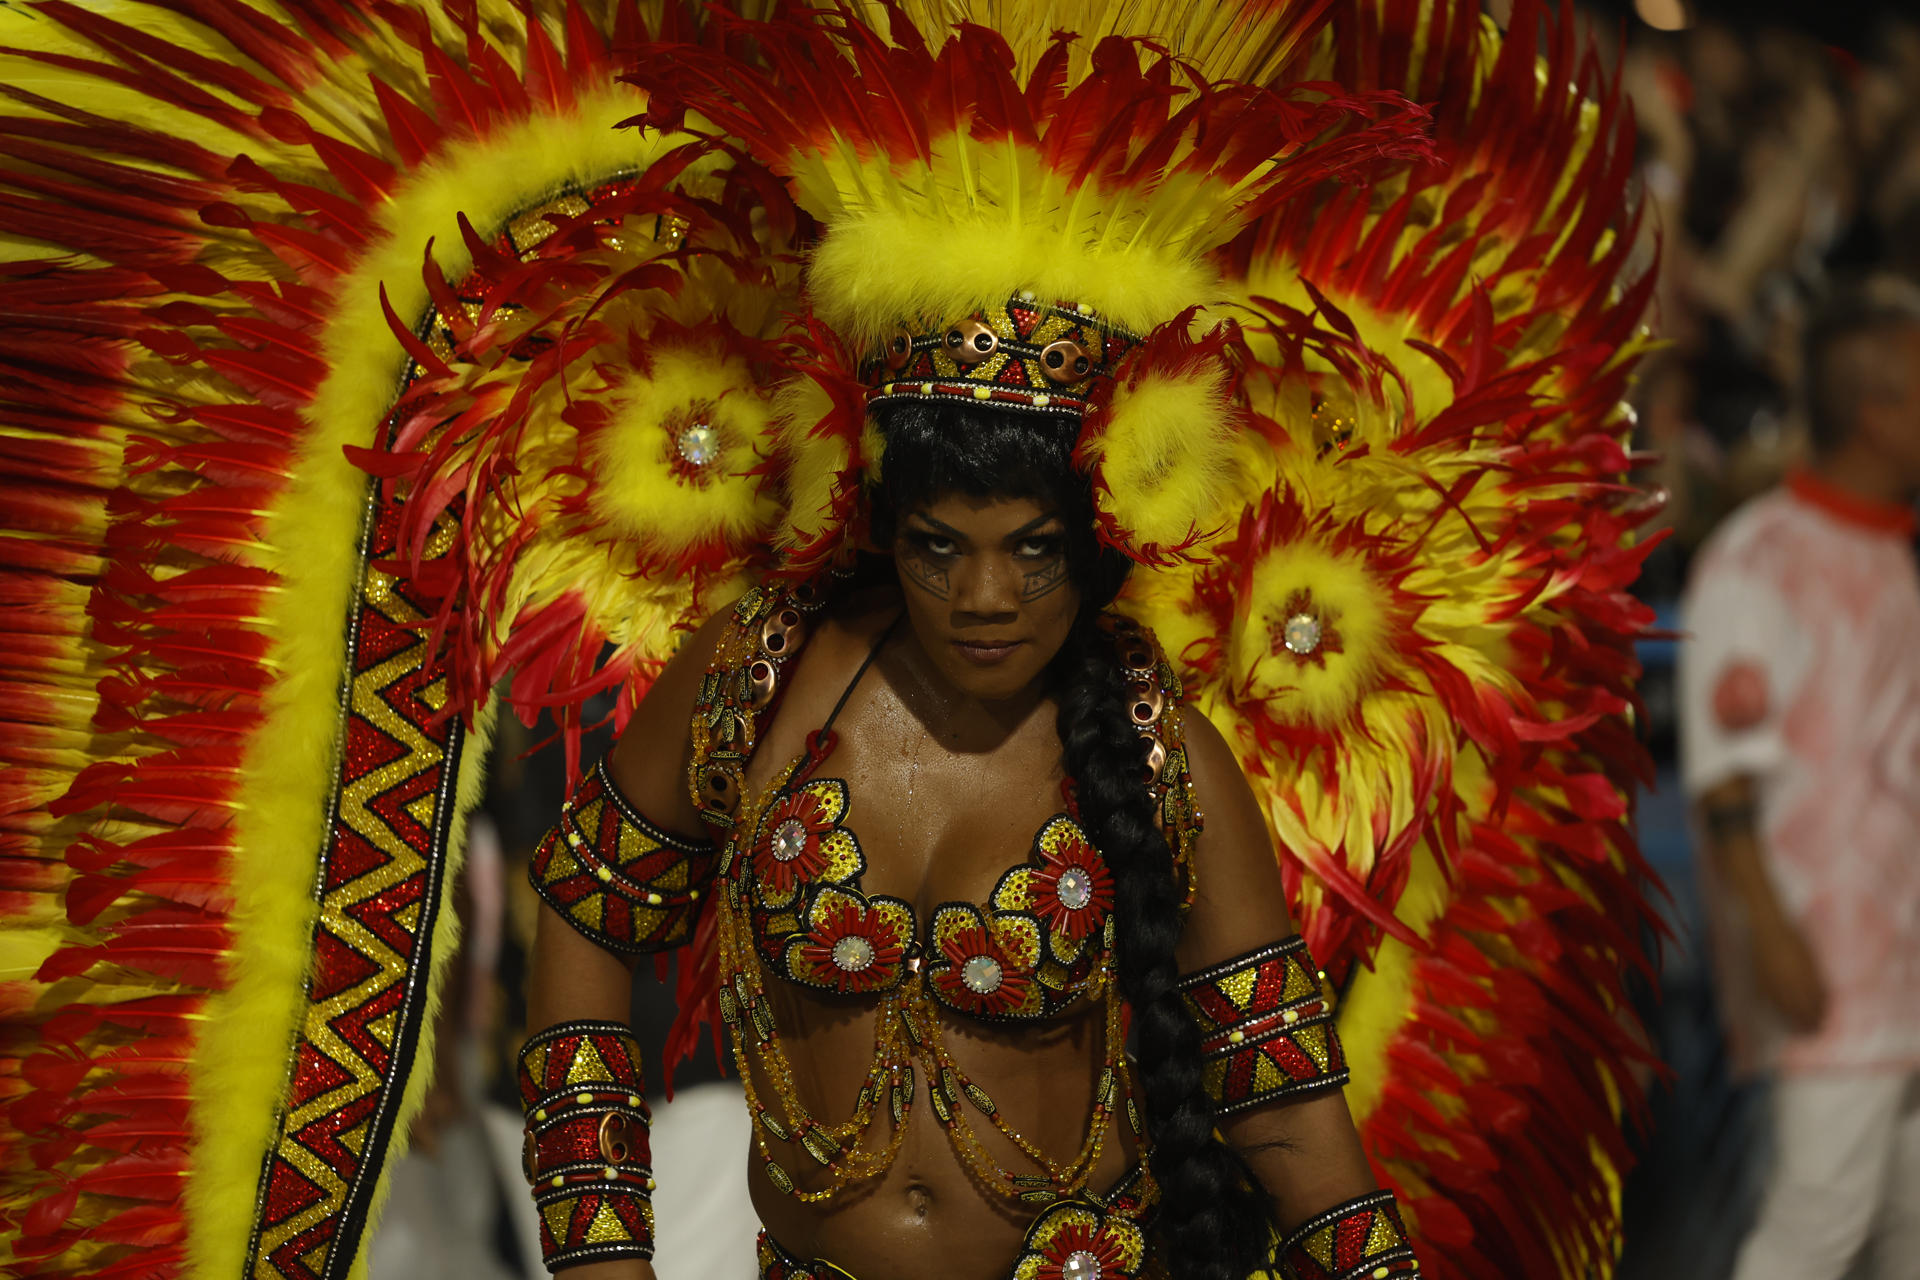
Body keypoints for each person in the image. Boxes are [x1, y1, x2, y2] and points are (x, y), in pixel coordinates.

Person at [1678, 279, 1920, 1280]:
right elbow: (1723, 768)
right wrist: (1769, 929)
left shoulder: (1890, 552)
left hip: (1903, 952)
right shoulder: (1759, 557)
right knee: (1818, 1219)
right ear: (1878, 409)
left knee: (1905, 1222)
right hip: (1828, 952)